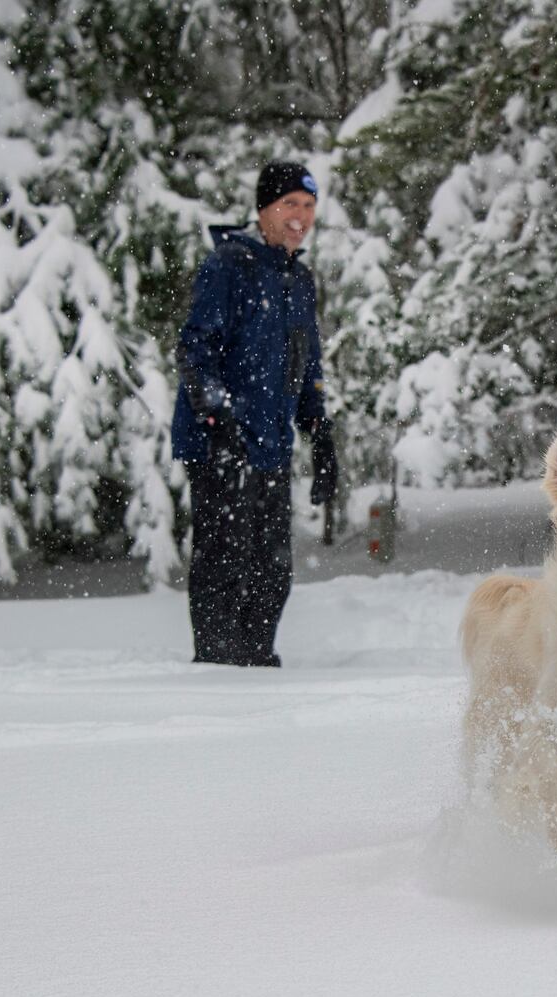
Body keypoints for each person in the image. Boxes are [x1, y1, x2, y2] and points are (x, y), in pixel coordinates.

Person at [170, 160, 338, 667]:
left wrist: (319, 431)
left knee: (272, 567)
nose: (300, 216)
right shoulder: (229, 264)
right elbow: (195, 350)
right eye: (289, 204)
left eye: (308, 207)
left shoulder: (300, 279)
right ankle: (220, 670)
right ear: (263, 209)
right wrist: (219, 421)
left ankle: (256, 663)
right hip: (221, 441)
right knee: (226, 560)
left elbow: (306, 363)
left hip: (269, 444)